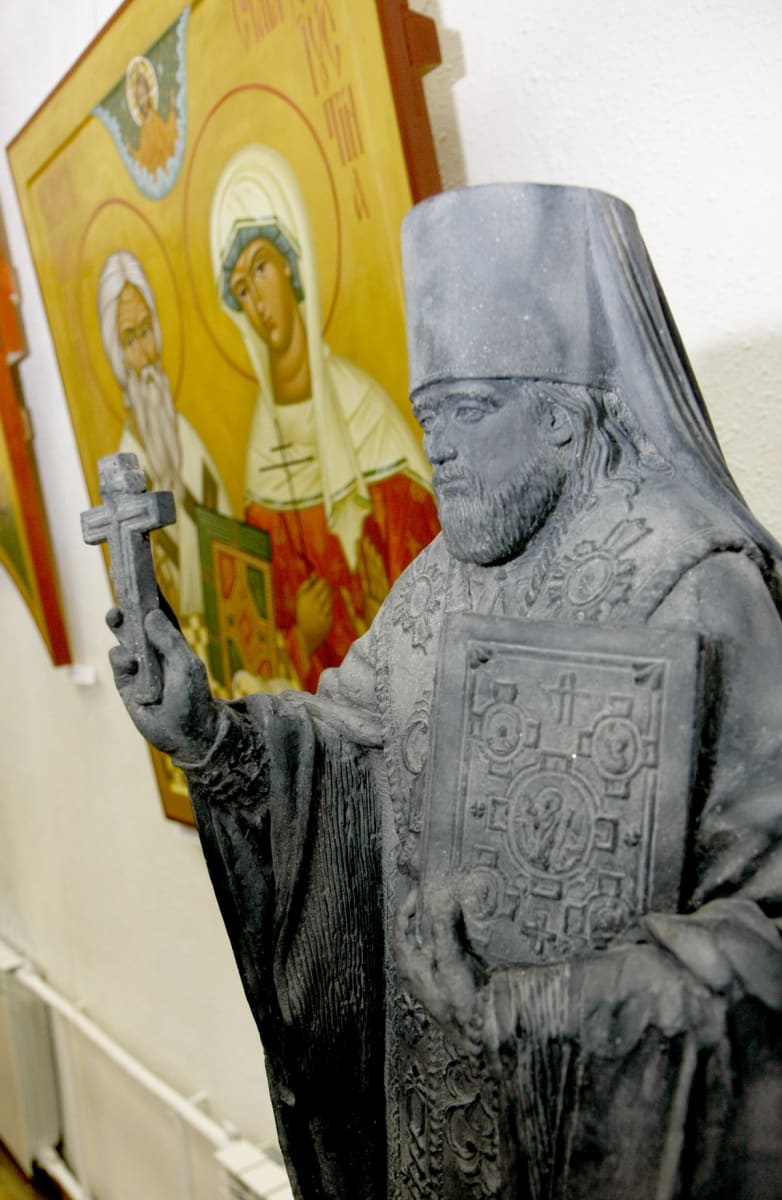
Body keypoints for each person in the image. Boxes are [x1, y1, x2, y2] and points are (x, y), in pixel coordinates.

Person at [106, 185, 782, 1199]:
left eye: (467, 412)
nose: (439, 450)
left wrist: (543, 1007)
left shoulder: (694, 588)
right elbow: (346, 752)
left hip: (585, 1137)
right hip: (433, 1129)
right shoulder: (439, 583)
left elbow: (766, 935)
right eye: (429, 417)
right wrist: (212, 736)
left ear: (558, 419)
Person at [210, 144, 440, 689]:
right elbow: (253, 638)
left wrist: (393, 616)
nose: (257, 301)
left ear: (291, 265)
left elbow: (434, 557)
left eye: (261, 268)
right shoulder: (261, 450)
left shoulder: (362, 408)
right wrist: (302, 637)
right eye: (241, 289)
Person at [97, 250, 231, 618]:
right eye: (130, 341)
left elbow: (231, 538)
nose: (145, 353)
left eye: (146, 332)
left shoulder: (186, 437)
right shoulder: (126, 469)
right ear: (117, 358)